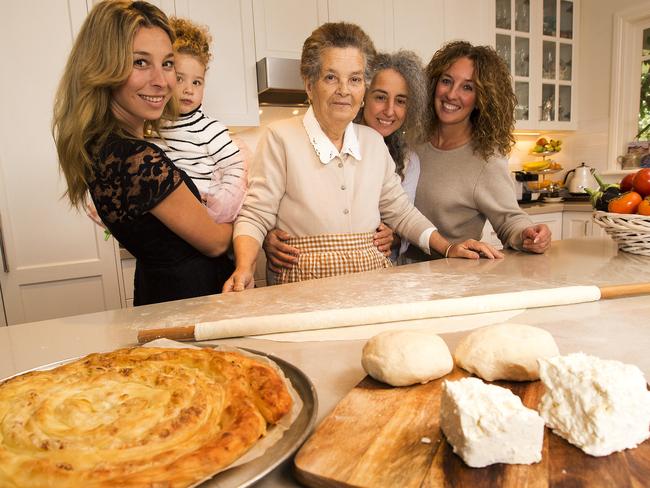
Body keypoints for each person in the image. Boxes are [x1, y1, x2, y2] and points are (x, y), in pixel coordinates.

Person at [223, 23, 501, 292]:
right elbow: (256, 214)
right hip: (302, 285)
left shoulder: (372, 142)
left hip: (371, 282)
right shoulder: (280, 137)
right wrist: (245, 268)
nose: (344, 90)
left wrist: (449, 247)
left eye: (354, 79)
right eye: (331, 77)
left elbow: (401, 212)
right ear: (309, 85)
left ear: (363, 88)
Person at [52, 0, 233, 306]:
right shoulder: (133, 158)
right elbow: (215, 242)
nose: (163, 81)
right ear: (103, 67)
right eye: (140, 62)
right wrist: (250, 223)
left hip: (165, 301)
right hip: (190, 306)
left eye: (167, 63)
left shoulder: (106, 150)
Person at [263, 50, 429, 272]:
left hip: (377, 272)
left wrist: (395, 237)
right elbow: (265, 207)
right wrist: (267, 234)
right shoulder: (298, 138)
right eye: (380, 97)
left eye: (401, 101)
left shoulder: (408, 160)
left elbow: (402, 213)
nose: (389, 110)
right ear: (364, 95)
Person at [405, 40, 552, 262]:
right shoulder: (412, 139)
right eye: (446, 81)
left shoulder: (485, 160)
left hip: (446, 279)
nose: (451, 94)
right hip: (395, 273)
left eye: (467, 87)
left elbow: (509, 219)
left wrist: (529, 235)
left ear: (481, 99)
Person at [149, 16, 247, 224]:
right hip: (165, 222)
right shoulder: (151, 127)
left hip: (202, 217)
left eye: (197, 82)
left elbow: (236, 168)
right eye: (180, 78)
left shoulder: (210, 129)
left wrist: (219, 205)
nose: (188, 89)